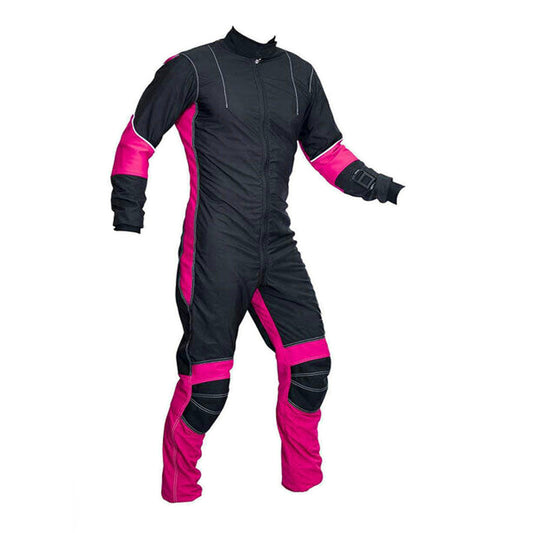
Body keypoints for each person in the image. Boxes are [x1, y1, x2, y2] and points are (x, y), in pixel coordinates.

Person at [110, 27, 404, 502]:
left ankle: (303, 487)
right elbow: (137, 139)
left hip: (277, 247)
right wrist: (128, 219)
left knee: (311, 368)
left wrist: (391, 190)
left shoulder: (299, 74)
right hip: (214, 250)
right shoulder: (192, 67)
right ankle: (179, 495)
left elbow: (328, 153)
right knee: (207, 389)